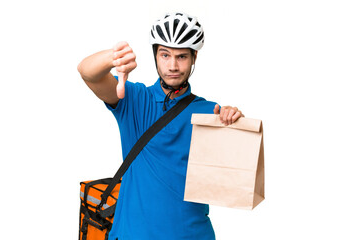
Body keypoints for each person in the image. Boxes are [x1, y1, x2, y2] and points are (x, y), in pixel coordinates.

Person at [78, 12, 244, 240]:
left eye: (182, 57)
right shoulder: (134, 99)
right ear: (155, 55)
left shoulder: (210, 112)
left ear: (194, 57)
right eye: (165, 55)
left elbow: (232, 179)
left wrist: (234, 122)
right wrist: (114, 57)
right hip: (133, 234)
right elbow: (88, 73)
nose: (173, 65)